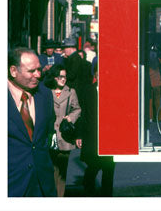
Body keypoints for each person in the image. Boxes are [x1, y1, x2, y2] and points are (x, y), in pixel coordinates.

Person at [8, 47, 57, 197]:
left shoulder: (45, 95)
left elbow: (46, 134)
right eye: (31, 71)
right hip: (11, 185)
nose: (38, 75)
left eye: (39, 70)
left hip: (42, 185)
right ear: (13, 71)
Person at [76, 62, 115, 196]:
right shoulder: (87, 90)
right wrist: (79, 135)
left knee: (109, 170)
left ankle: (107, 197)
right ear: (95, 75)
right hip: (91, 135)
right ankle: (89, 194)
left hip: (109, 137)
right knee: (92, 167)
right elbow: (82, 114)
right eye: (99, 73)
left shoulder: (112, 91)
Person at [44, 65, 81, 197]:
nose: (63, 79)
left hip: (65, 136)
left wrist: (70, 118)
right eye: (60, 76)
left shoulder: (71, 92)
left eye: (64, 76)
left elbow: (77, 109)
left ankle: (60, 197)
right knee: (50, 169)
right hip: (50, 135)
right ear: (54, 77)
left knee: (62, 171)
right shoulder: (46, 92)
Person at [62, 37, 91, 107]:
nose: (63, 50)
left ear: (70, 48)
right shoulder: (74, 58)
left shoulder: (74, 59)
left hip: (75, 89)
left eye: (64, 48)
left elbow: (71, 75)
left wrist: (61, 76)